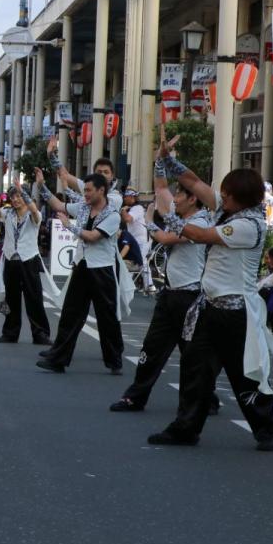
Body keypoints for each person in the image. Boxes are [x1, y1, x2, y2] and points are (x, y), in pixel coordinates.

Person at [147, 133, 273, 451]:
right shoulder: (230, 209)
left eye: (227, 193)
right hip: (208, 307)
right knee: (195, 369)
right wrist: (166, 159)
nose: (220, 196)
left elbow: (200, 233)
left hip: (236, 312)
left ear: (241, 197)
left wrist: (167, 216)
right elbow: (194, 182)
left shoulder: (249, 224)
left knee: (245, 374)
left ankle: (268, 430)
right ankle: (185, 428)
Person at [110, 171, 220, 414]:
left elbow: (167, 238)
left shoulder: (201, 222)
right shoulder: (181, 216)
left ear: (193, 199)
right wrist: (160, 164)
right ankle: (135, 397)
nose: (175, 199)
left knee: (192, 356)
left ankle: (205, 399)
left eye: (180, 193)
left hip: (190, 298)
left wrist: (149, 221)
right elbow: (161, 191)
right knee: (152, 348)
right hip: (170, 293)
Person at [34, 168, 131, 375]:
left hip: (102, 270)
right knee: (70, 314)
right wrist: (42, 185)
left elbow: (93, 236)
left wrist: (69, 226)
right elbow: (58, 204)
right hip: (82, 266)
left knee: (107, 318)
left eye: (88, 190)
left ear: (101, 190)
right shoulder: (84, 208)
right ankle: (58, 359)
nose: (85, 194)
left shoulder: (113, 216)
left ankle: (114, 360)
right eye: (84, 190)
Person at [0, 186, 51, 345]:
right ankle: (10, 333)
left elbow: (34, 211)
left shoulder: (35, 215)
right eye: (12, 197)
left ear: (27, 197)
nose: (14, 200)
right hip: (10, 260)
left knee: (34, 298)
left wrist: (26, 193)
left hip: (29, 260)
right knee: (11, 299)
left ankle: (40, 334)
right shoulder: (7, 214)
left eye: (19, 196)